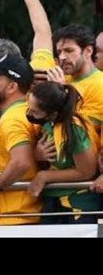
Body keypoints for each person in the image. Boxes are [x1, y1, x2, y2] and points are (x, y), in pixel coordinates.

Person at [0, 54, 43, 225]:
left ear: (12, 86)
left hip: (10, 216)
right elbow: (12, 156)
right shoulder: (25, 112)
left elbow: (21, 162)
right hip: (16, 215)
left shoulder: (13, 120)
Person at [27, 81, 99, 224]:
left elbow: (87, 171)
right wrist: (37, 155)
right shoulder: (48, 124)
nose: (29, 114)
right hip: (53, 201)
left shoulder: (74, 130)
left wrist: (44, 176)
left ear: (52, 114)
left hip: (76, 205)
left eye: (35, 111)